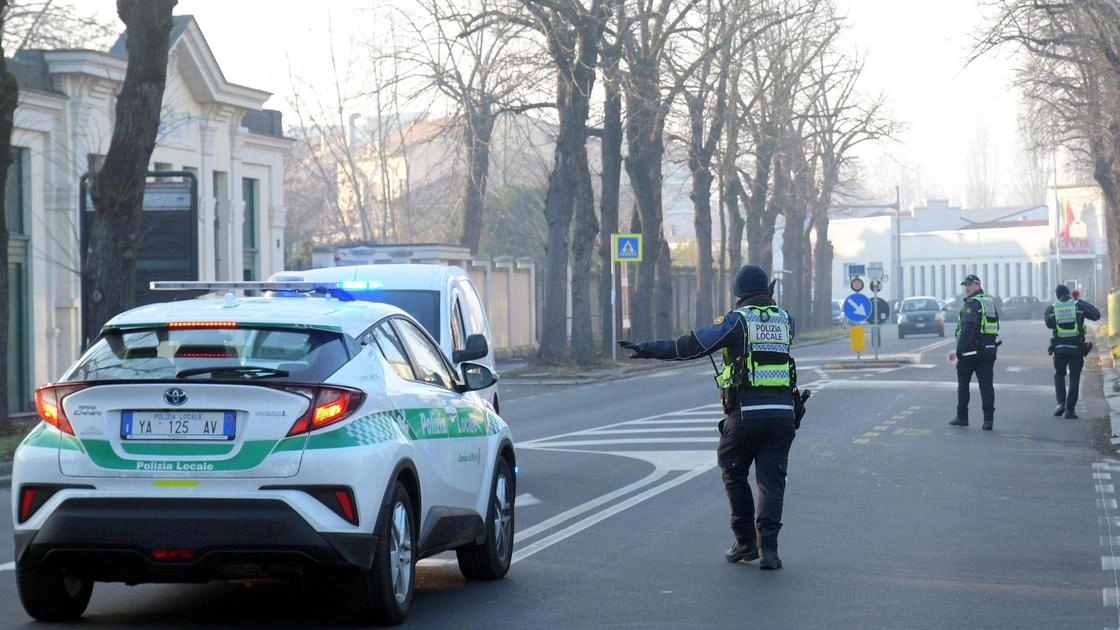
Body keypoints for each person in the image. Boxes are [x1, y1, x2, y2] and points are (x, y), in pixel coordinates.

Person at [618, 264, 805, 570]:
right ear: (768, 292)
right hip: (783, 415)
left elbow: (692, 345)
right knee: (772, 481)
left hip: (745, 414)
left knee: (733, 471)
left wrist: (648, 349)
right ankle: (769, 550)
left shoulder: (737, 322)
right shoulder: (788, 321)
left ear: (739, 297)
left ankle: (745, 542)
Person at [949, 274, 1000, 430]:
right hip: (989, 350)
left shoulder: (972, 305)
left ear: (978, 285)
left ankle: (962, 417)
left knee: (963, 385)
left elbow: (967, 329)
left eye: (970, 285)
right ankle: (988, 420)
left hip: (971, 352)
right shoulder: (989, 303)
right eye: (965, 285)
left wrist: (959, 350)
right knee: (986, 386)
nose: (966, 288)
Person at [1044, 283, 1101, 419]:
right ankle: (1070, 410)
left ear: (1057, 295)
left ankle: (1060, 403)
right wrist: (1079, 300)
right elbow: (1096, 315)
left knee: (1059, 374)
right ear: (1068, 294)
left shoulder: (1052, 307)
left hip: (1059, 348)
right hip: (1076, 348)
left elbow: (1048, 323)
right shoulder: (1077, 305)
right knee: (1074, 377)